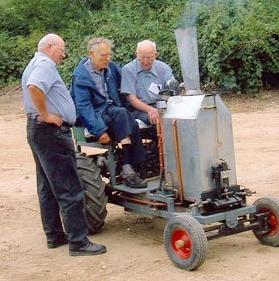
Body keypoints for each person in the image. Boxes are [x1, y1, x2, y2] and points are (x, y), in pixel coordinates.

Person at [22, 33, 106, 256]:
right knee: (69, 187)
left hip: (37, 130)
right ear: (50, 47)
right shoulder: (45, 64)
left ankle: (54, 235)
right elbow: (34, 87)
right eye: (61, 49)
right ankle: (78, 242)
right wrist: (47, 115)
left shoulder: (33, 63)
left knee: (48, 186)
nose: (63, 54)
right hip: (51, 131)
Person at [70, 38, 147, 188]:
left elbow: (127, 80)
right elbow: (84, 107)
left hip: (113, 110)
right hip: (96, 114)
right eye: (103, 56)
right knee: (122, 114)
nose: (108, 58)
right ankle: (129, 168)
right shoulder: (80, 76)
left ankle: (135, 166)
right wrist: (99, 131)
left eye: (109, 54)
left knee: (130, 120)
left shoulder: (110, 67)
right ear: (91, 53)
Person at [121, 40, 177, 125]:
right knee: (157, 120)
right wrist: (150, 110)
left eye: (149, 58)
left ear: (155, 55)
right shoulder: (128, 70)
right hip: (138, 109)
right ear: (136, 54)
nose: (145, 61)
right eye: (142, 57)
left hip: (160, 105)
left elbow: (171, 91)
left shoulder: (164, 68)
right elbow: (132, 99)